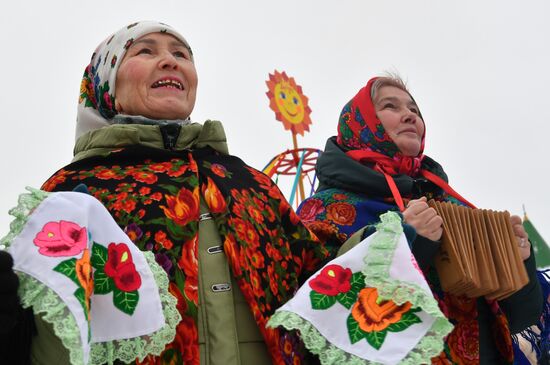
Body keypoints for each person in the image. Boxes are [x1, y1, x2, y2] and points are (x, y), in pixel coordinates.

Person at [2, 21, 331, 365]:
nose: (171, 61)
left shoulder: (250, 184)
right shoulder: (74, 194)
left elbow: (319, 292)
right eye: (145, 50)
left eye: (181, 54)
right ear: (106, 82)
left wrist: (373, 248)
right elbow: (38, 330)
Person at [297, 76, 543, 364]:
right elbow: (321, 317)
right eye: (391, 106)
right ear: (361, 125)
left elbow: (517, 318)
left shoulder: (450, 205)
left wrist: (518, 265)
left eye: (414, 110)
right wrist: (405, 241)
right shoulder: (324, 210)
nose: (409, 116)